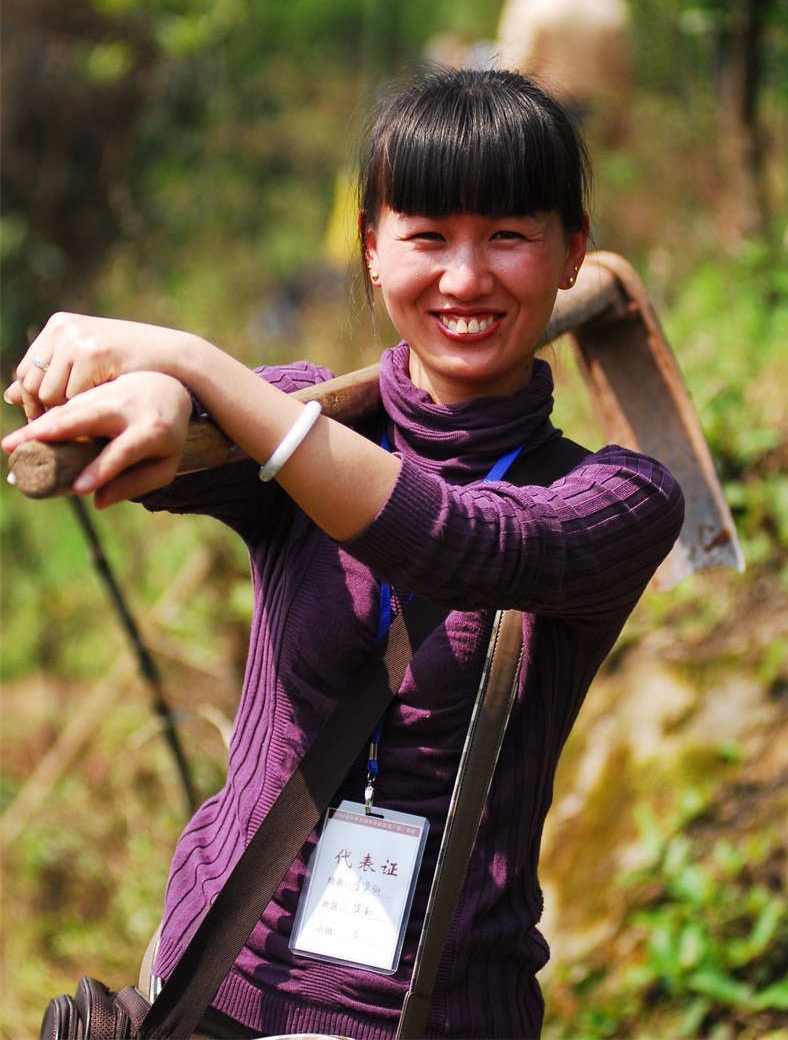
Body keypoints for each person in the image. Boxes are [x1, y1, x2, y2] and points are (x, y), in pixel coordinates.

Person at [3, 69, 684, 1040]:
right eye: (425, 236)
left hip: (434, 1012)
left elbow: (462, 543)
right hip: (207, 984)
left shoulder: (612, 502)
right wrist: (160, 389)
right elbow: (160, 453)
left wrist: (195, 362)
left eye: (506, 236)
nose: (461, 278)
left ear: (570, 252)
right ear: (370, 250)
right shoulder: (295, 410)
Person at [495, 0, 633, 148]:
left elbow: (512, 66)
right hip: (596, 114)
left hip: (543, 114)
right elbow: (621, 74)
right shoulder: (609, 2)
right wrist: (619, 122)